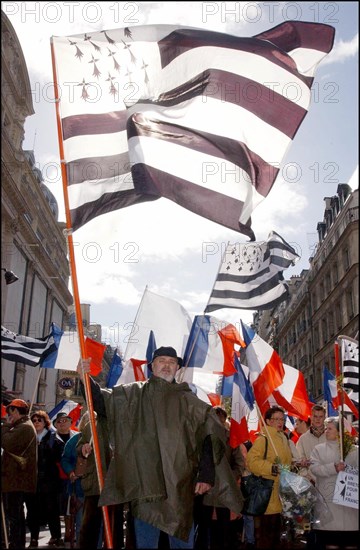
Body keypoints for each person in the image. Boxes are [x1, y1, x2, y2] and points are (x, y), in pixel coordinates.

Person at [77, 346, 243, 549]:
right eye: (162, 361)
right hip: (145, 487)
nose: (167, 365)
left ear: (178, 368)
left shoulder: (190, 401)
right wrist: (84, 378)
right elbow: (102, 403)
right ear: (152, 366)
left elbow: (209, 436)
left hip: (180, 487)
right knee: (146, 544)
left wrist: (206, 475)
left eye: (172, 362)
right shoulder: (134, 395)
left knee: (182, 544)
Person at [194, 406, 244, 550]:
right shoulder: (200, 438)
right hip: (203, 495)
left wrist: (228, 478)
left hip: (224, 494)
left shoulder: (231, 439)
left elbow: (240, 464)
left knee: (223, 533)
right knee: (202, 531)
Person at [247, 406, 293, 550]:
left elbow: (285, 463)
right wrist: (271, 468)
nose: (280, 422)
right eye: (276, 419)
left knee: (277, 536)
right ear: (268, 421)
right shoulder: (263, 439)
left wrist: (295, 464)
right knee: (268, 535)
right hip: (268, 494)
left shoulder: (283, 438)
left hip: (281, 493)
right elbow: (251, 462)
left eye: (282, 419)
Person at [309, 417, 358, 550]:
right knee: (331, 543)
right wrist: (334, 468)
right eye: (326, 428)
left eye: (330, 428)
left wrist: (349, 470)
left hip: (350, 506)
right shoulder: (318, 449)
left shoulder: (354, 450)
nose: (326, 431)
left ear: (340, 431)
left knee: (351, 543)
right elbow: (314, 468)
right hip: (329, 504)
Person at [25, 410, 65, 548]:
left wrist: (44, 446)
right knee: (32, 512)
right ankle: (34, 539)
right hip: (32, 480)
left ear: (45, 422)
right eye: (34, 420)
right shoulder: (28, 436)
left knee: (52, 510)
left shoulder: (53, 437)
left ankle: (56, 537)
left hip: (49, 481)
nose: (36, 423)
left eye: (39, 420)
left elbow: (59, 455)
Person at [1, 399, 37, 549]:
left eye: (11, 413)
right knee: (16, 515)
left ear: (16, 411)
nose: (10, 416)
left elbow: (6, 442)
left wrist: (6, 426)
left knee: (15, 517)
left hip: (16, 480)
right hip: (15, 480)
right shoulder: (23, 426)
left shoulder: (24, 427)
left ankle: (17, 544)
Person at [296, 405, 326, 550]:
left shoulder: (332, 435)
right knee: (311, 521)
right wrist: (307, 477)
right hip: (311, 484)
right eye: (315, 416)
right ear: (311, 417)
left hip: (329, 485)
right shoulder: (302, 439)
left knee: (327, 519)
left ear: (324, 417)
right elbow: (297, 460)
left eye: (321, 416)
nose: (318, 420)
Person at [60, 413, 89, 547]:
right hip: (79, 489)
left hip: (98, 490)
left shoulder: (103, 439)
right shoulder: (75, 440)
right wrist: (71, 472)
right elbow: (65, 458)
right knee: (81, 522)